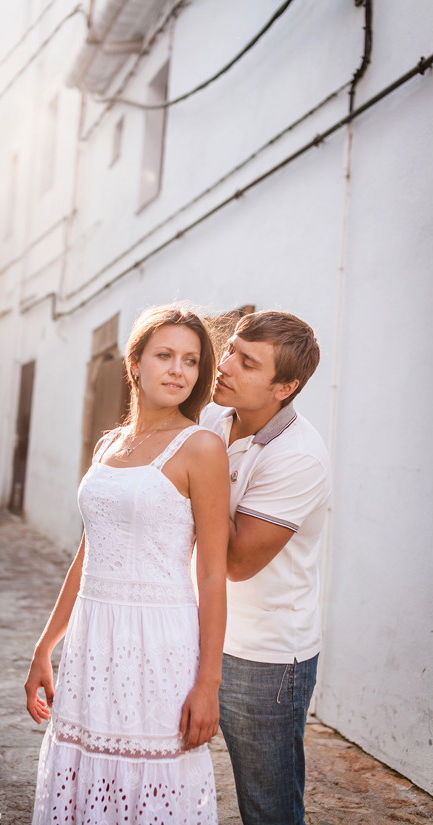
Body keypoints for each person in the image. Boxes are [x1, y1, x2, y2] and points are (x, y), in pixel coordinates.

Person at [25, 305, 230, 825]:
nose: (178, 370)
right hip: (94, 637)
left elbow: (212, 574)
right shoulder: (109, 444)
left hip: (159, 641)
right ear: (134, 363)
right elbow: (89, 552)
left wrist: (208, 684)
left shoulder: (202, 448)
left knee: (152, 775)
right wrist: (46, 646)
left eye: (190, 360)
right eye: (165, 355)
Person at [200, 310, 331, 825]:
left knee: (268, 809)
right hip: (197, 629)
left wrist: (199, 476)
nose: (225, 364)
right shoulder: (213, 418)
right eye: (230, 349)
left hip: (264, 658)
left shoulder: (299, 456)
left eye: (247, 362)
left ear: (284, 387)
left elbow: (236, 562)